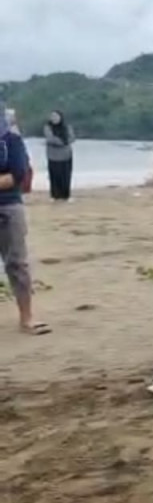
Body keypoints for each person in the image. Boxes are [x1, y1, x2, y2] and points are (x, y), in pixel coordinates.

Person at [1, 106, 49, 335]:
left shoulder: (11, 141)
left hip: (8, 207)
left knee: (16, 263)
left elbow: (17, 175)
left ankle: (26, 317)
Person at [43, 110, 75, 202]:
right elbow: (50, 139)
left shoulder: (67, 127)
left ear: (60, 117)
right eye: (52, 116)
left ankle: (66, 196)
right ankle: (55, 196)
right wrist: (63, 142)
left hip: (66, 156)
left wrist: (63, 141)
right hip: (53, 156)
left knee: (66, 176)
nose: (54, 118)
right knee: (54, 176)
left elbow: (72, 138)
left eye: (56, 116)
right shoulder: (47, 127)